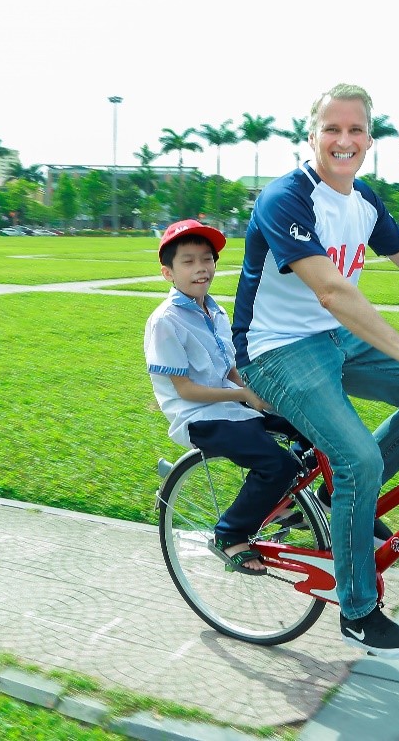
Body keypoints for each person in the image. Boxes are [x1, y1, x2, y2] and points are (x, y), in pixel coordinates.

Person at [233, 83, 399, 659]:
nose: (344, 140)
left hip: (335, 340)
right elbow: (331, 290)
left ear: (369, 140)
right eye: (332, 129)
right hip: (276, 349)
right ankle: (358, 612)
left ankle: (349, 503)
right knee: (358, 456)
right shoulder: (287, 198)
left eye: (356, 130)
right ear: (312, 136)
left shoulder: (364, 201)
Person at [145, 219, 301, 575]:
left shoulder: (214, 311)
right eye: (188, 261)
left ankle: (283, 502)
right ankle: (231, 531)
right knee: (277, 464)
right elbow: (184, 390)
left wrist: (258, 390)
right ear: (167, 272)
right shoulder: (165, 321)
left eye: (207, 259)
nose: (201, 268)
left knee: (309, 425)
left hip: (232, 403)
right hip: (199, 416)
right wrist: (244, 394)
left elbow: (229, 368)